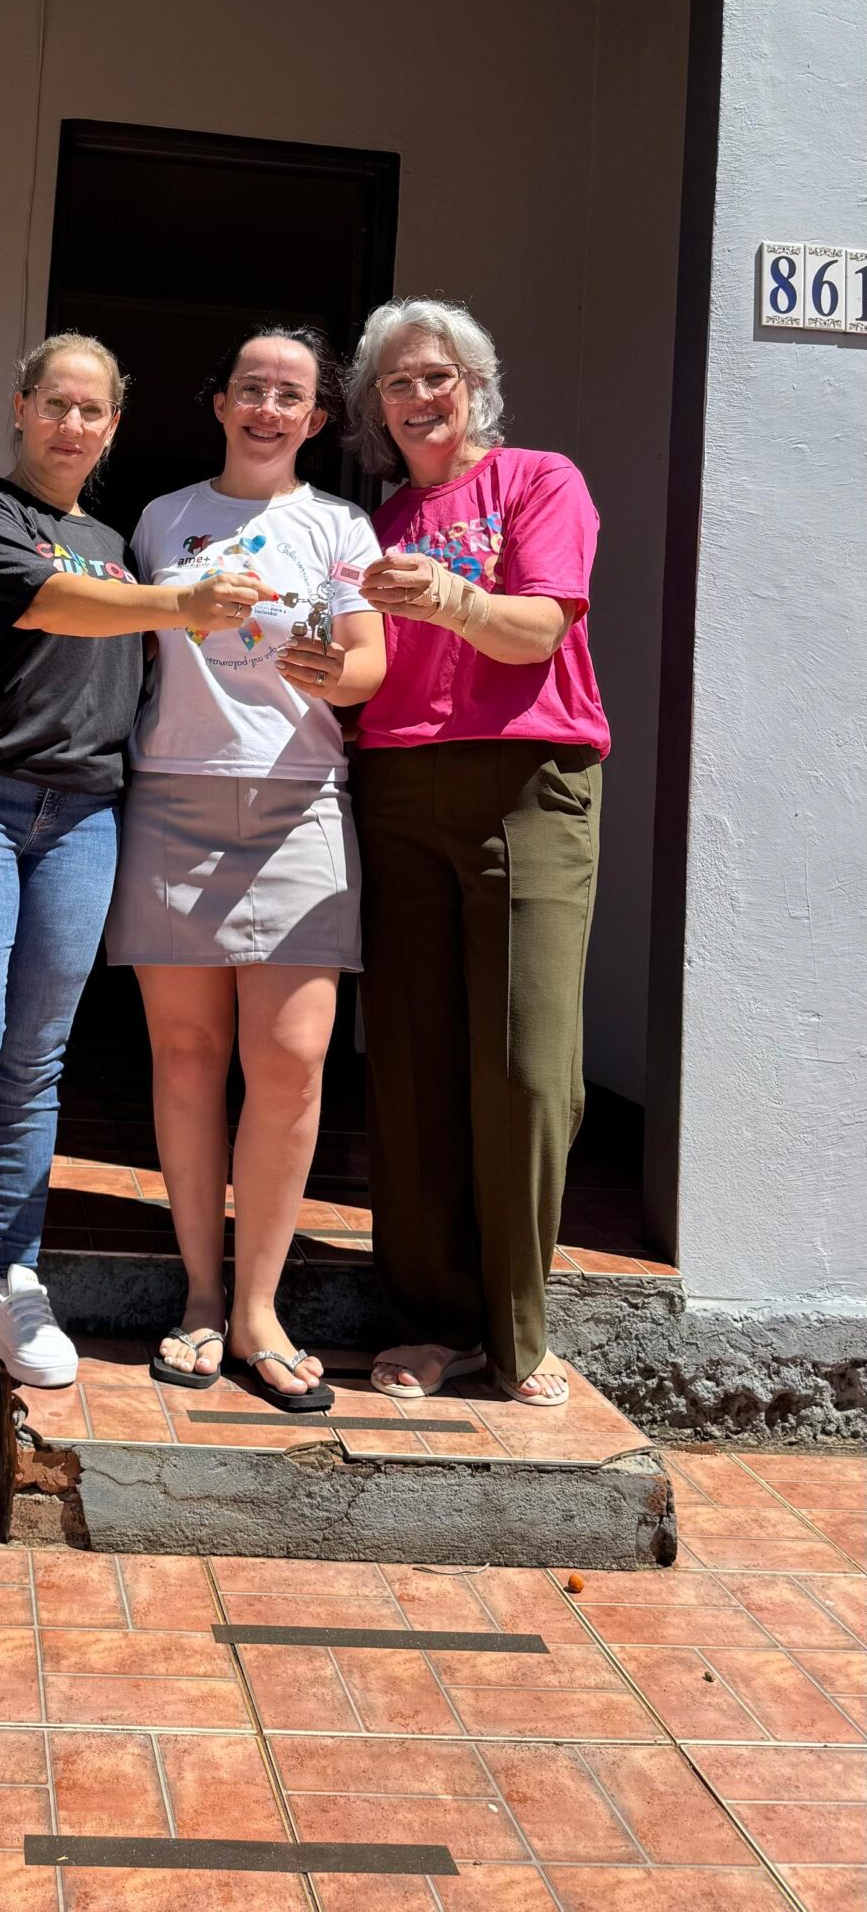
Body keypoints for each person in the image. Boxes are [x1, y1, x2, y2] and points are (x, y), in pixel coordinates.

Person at [0, 331, 270, 1387]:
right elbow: (48, 603)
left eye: (93, 410)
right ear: (21, 407)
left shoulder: (116, 541)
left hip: (84, 813)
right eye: (56, 402)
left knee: (36, 1055)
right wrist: (180, 602)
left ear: (113, 427)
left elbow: (161, 664)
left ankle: (14, 1280)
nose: (72, 424)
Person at [106, 326, 386, 1409]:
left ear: (316, 419)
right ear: (219, 402)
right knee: (185, 1056)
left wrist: (330, 672)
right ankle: (201, 1296)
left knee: (293, 1061)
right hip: (173, 797)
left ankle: (261, 1308)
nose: (268, 408)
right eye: (251, 388)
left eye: (290, 395)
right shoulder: (160, 519)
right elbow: (129, 644)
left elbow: (368, 667)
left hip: (299, 801)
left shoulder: (339, 524)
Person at [346, 296, 610, 1409]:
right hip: (398, 784)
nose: (419, 397)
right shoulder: (374, 523)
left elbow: (540, 627)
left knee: (528, 1066)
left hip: (528, 783)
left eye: (438, 376)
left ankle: (517, 1330)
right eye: (398, 382)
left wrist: (456, 597)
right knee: (411, 1061)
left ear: (477, 385)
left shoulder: (539, 480)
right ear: (376, 406)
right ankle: (432, 1321)